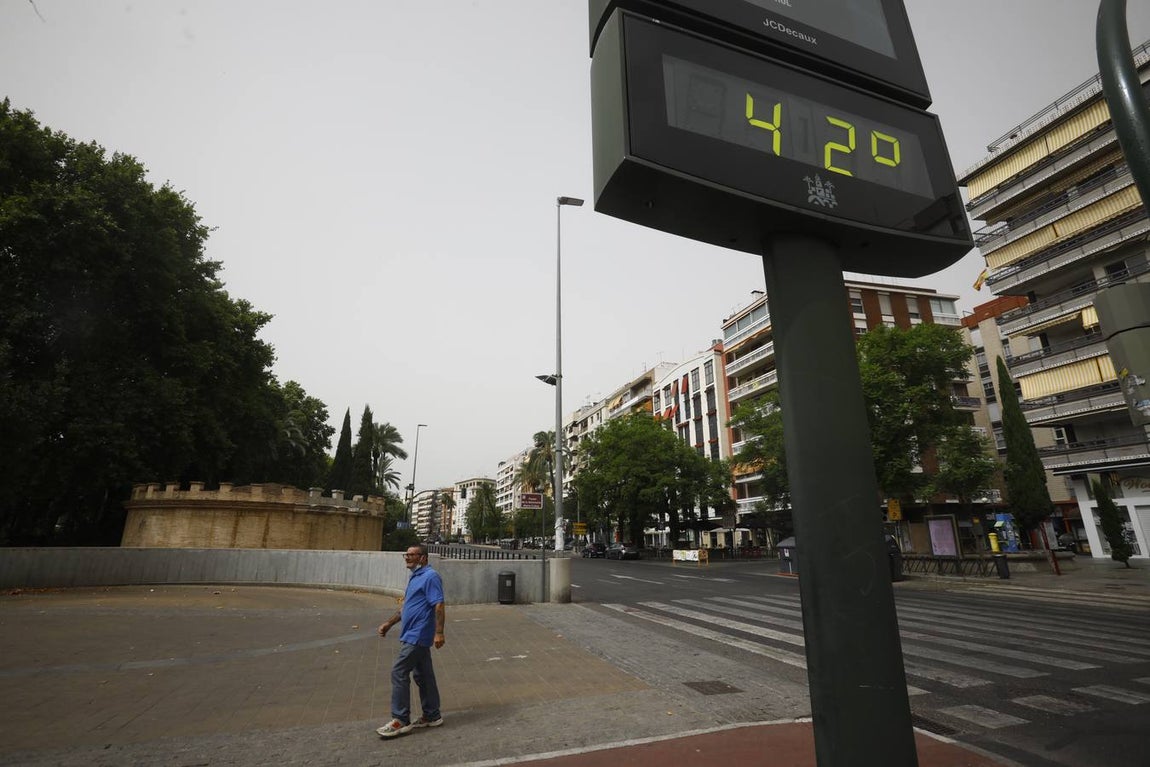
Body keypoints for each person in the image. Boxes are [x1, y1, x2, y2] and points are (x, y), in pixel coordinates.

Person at [376, 544, 446, 738]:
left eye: (412, 555)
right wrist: (389, 624)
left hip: (418, 634)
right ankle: (432, 715)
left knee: (399, 671)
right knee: (423, 675)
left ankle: (401, 720)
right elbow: (407, 607)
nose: (407, 558)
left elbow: (439, 604)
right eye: (405, 555)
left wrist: (439, 632)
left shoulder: (431, 577)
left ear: (423, 558)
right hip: (411, 634)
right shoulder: (415, 577)